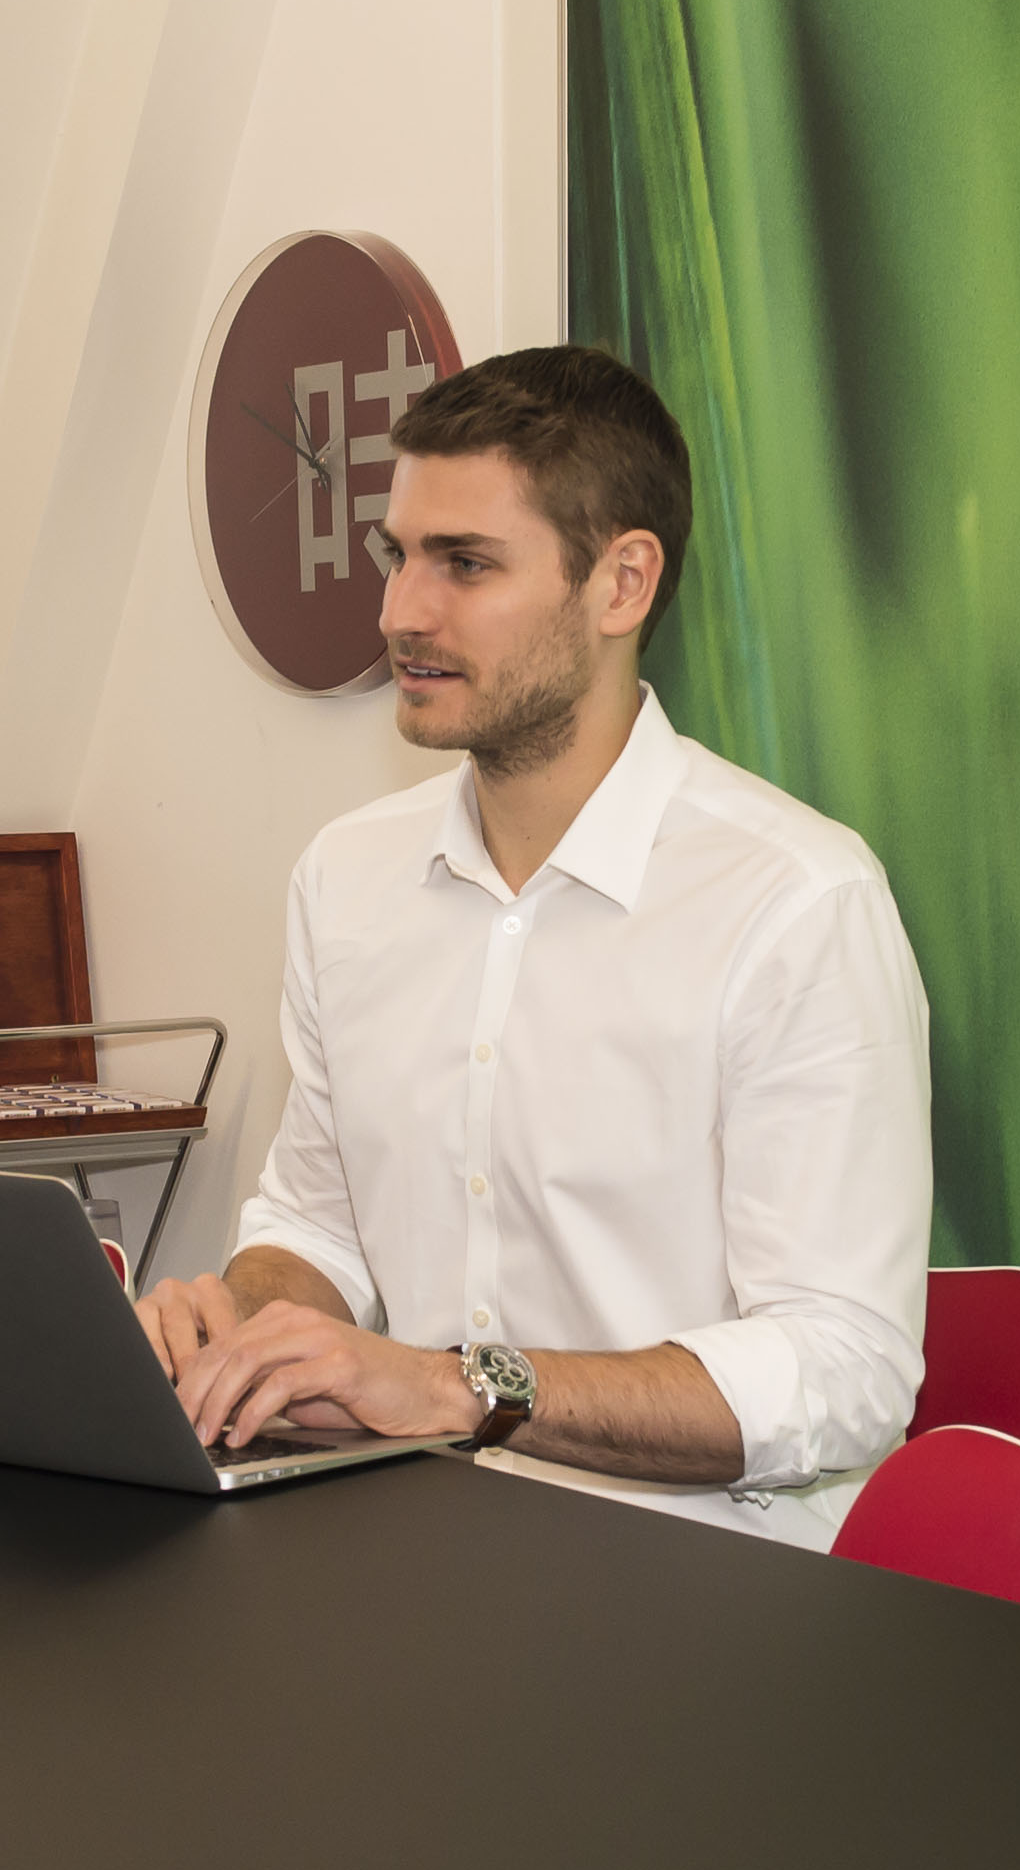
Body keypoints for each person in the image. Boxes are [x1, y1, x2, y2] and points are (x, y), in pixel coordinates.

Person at [139, 342, 932, 1538]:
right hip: (403, 1553)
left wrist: (461, 1387)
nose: (400, 609)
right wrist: (246, 1322)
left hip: (713, 1608)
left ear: (621, 584)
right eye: (397, 555)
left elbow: (844, 1369)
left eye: (464, 563)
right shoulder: (345, 878)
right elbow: (316, 1221)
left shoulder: (795, 902)